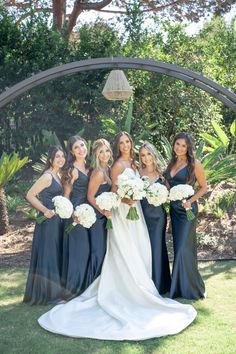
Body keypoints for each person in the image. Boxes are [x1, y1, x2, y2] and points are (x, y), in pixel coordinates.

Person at [38, 132, 196, 340]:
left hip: (136, 212)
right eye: (120, 143)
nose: (124, 145)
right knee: (124, 248)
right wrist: (123, 200)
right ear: (117, 146)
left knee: (139, 247)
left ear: (131, 143)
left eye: (127, 141)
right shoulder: (116, 166)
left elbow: (147, 180)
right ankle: (125, 287)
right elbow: (114, 191)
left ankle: (143, 282)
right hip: (122, 212)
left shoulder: (135, 163)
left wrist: (140, 194)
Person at [165, 132, 208, 300]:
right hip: (174, 211)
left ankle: (191, 288)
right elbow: (168, 183)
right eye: (177, 144)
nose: (180, 148)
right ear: (173, 145)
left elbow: (204, 187)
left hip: (188, 210)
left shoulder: (194, 164)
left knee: (184, 247)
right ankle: (178, 287)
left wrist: (190, 201)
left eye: (183, 145)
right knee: (179, 248)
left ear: (188, 148)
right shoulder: (171, 163)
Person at [23, 146, 65, 305]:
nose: (61, 159)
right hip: (47, 221)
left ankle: (51, 292)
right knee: (49, 255)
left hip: (56, 220)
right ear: (51, 160)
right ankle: (51, 296)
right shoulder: (48, 176)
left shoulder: (58, 175)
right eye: (57, 157)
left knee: (53, 253)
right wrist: (45, 210)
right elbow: (30, 195)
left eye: (62, 156)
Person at [139, 142, 171, 294]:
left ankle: (160, 284)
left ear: (153, 154)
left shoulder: (162, 174)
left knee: (157, 246)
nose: (146, 158)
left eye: (149, 154)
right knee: (144, 248)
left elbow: (169, 194)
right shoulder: (137, 173)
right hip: (142, 216)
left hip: (158, 217)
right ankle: (145, 283)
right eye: (143, 155)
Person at [61, 136, 91, 300]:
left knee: (86, 251)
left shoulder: (89, 166)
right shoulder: (72, 169)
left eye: (83, 145)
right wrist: (73, 215)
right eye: (77, 148)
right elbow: (66, 195)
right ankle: (74, 290)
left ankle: (85, 287)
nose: (81, 149)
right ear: (72, 152)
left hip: (88, 213)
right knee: (80, 250)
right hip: (76, 214)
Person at [87, 139, 112, 282]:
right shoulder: (98, 172)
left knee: (106, 251)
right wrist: (103, 211)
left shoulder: (109, 169)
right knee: (99, 250)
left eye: (107, 150)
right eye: (101, 152)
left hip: (106, 216)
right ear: (96, 154)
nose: (104, 154)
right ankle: (95, 284)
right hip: (98, 217)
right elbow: (90, 196)